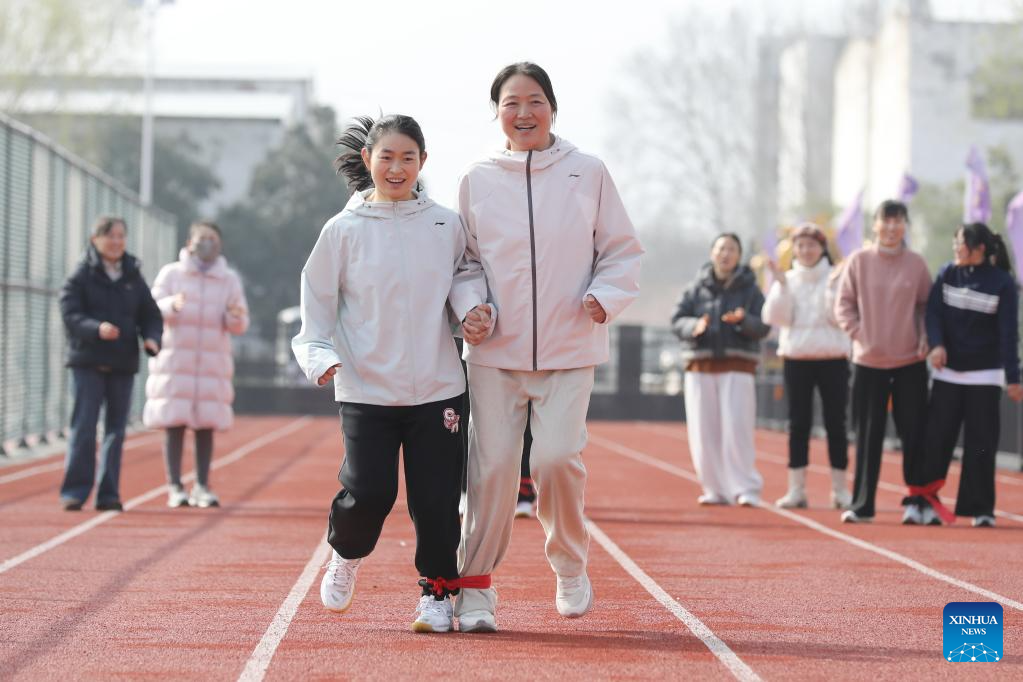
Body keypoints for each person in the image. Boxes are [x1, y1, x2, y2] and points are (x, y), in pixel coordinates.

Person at [455, 62, 643, 633]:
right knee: (490, 472)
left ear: (553, 108)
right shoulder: (478, 179)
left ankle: (569, 565)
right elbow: (464, 262)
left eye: (534, 100)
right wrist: (470, 309)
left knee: (556, 459)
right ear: (497, 113)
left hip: (568, 348)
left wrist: (603, 296)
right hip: (495, 354)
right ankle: (477, 588)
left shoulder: (588, 173)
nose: (524, 112)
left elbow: (621, 251)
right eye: (511, 103)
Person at [292, 114, 491, 634]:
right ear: (368, 161)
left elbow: (466, 275)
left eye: (408, 157)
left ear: (423, 162)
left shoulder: (445, 223)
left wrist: (471, 310)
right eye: (387, 157)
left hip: (438, 388)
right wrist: (319, 356)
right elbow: (317, 301)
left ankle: (437, 594)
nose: (397, 167)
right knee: (370, 493)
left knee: (436, 501)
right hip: (366, 387)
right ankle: (346, 554)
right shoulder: (343, 231)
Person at [911, 223, 1022, 527]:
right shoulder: (948, 273)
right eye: (955, 242)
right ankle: (924, 502)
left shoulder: (1002, 283)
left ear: (980, 249)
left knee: (981, 443)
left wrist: (1013, 377)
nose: (955, 248)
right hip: (947, 374)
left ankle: (980, 508)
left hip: (984, 376)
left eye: (960, 243)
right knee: (936, 440)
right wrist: (936, 345)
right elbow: (933, 313)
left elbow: (1008, 334)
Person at [834, 199, 932, 524]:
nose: (891, 228)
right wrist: (860, 334)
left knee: (914, 433)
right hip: (868, 361)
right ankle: (862, 504)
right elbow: (844, 305)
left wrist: (924, 338)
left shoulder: (917, 264)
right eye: (885, 222)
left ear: (905, 226)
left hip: (909, 361)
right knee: (868, 435)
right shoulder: (858, 261)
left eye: (898, 222)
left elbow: (926, 307)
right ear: (874, 225)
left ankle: (918, 501)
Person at [58, 216, 162, 511]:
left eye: (121, 236)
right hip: (87, 362)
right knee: (84, 427)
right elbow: (70, 312)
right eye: (110, 235)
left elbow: (151, 315)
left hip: (122, 362)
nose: (116, 241)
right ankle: (75, 492)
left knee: (116, 430)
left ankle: (109, 494)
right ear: (95, 239)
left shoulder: (132, 275)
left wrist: (152, 339)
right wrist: (96, 328)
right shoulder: (82, 274)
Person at [143, 221, 249, 508]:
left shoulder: (228, 279)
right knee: (174, 423)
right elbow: (152, 308)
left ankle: (202, 485)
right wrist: (170, 306)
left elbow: (239, 322)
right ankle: (175, 486)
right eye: (202, 239)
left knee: (206, 425)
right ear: (189, 242)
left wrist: (235, 316)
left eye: (213, 239)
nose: (207, 244)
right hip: (177, 360)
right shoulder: (172, 274)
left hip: (211, 363)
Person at [671, 233, 770, 507]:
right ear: (712, 253)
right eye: (721, 248)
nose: (726, 254)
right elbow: (677, 320)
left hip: (737, 366)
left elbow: (763, 325)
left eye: (732, 249)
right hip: (700, 366)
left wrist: (743, 322)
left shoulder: (750, 289)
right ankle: (714, 488)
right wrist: (694, 327)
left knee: (737, 429)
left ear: (739, 256)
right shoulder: (695, 288)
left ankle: (746, 487)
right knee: (703, 432)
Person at [763, 223, 851, 509]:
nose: (806, 250)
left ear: (822, 248)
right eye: (800, 245)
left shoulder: (836, 276)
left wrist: (832, 287)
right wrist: (780, 286)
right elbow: (777, 318)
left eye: (811, 245)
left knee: (835, 424)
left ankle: (840, 490)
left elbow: (837, 317)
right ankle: (796, 489)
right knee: (798, 425)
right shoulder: (787, 278)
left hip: (832, 358)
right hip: (797, 359)